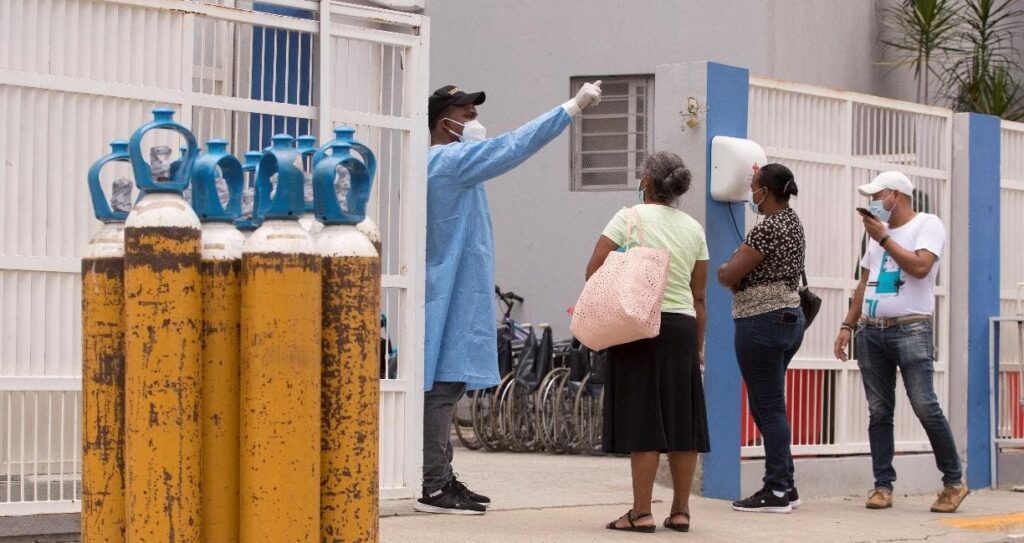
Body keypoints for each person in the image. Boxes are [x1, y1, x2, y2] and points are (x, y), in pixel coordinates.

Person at [416, 81, 603, 515]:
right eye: (468, 116)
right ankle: (433, 484)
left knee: (448, 385)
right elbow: (517, 145)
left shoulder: (454, 162)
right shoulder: (449, 160)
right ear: (444, 123)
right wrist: (571, 109)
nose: (476, 123)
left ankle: (442, 476)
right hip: (448, 293)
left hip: (457, 291)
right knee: (441, 390)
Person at [586, 152, 710, 533]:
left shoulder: (629, 218)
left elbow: (594, 270)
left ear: (646, 182)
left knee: (644, 418)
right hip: (682, 328)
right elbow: (699, 295)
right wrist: (699, 347)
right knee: (682, 420)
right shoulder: (693, 229)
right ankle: (681, 511)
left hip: (639, 325)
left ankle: (641, 512)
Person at [833, 171, 968, 513]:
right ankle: (882, 486)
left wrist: (884, 240)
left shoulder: (927, 224)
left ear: (896, 195)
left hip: (910, 329)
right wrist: (848, 324)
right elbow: (864, 282)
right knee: (879, 411)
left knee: (925, 404)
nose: (873, 204)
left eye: (877, 196)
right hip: (871, 330)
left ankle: (953, 481)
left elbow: (921, 267)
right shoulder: (876, 237)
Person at [717, 163, 805, 514]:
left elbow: (727, 274)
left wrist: (732, 269)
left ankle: (777, 490)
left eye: (753, 186)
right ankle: (788, 484)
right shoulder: (794, 222)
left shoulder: (767, 228)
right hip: (789, 319)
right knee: (771, 404)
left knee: (768, 406)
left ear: (764, 191)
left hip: (761, 322)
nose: (751, 193)